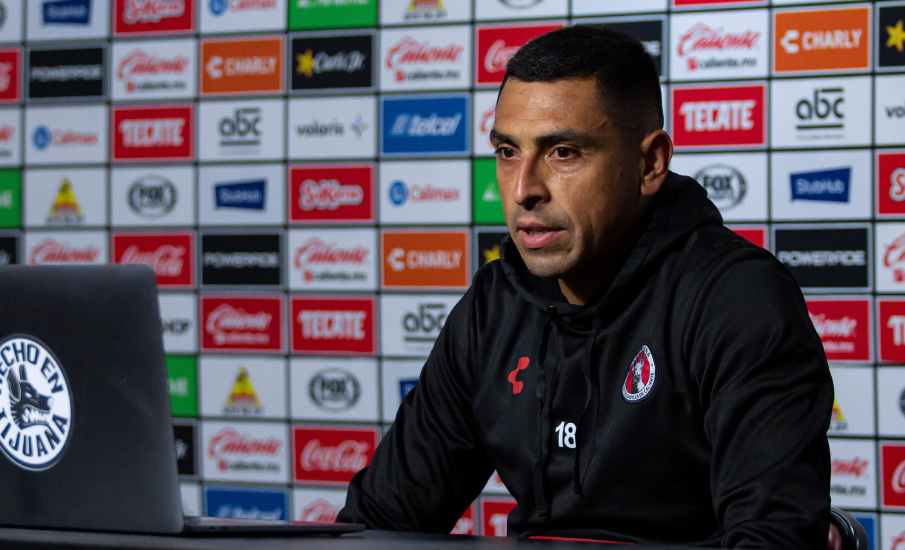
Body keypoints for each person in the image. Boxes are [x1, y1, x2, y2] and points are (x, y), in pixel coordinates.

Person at [336, 25, 832, 549]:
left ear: (649, 163)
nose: (524, 189)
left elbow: (776, 539)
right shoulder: (493, 307)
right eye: (508, 152)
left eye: (563, 152)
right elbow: (380, 523)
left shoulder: (736, 299)